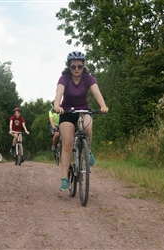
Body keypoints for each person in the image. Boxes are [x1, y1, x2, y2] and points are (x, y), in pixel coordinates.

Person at [53, 51, 109, 191]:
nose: (77, 69)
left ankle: (87, 151)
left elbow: (97, 92)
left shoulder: (88, 78)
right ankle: (65, 178)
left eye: (79, 66)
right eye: (73, 67)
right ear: (69, 67)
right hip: (67, 112)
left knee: (88, 127)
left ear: (84, 66)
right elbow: (59, 93)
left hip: (83, 110)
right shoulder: (64, 78)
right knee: (67, 145)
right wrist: (57, 106)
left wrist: (103, 106)